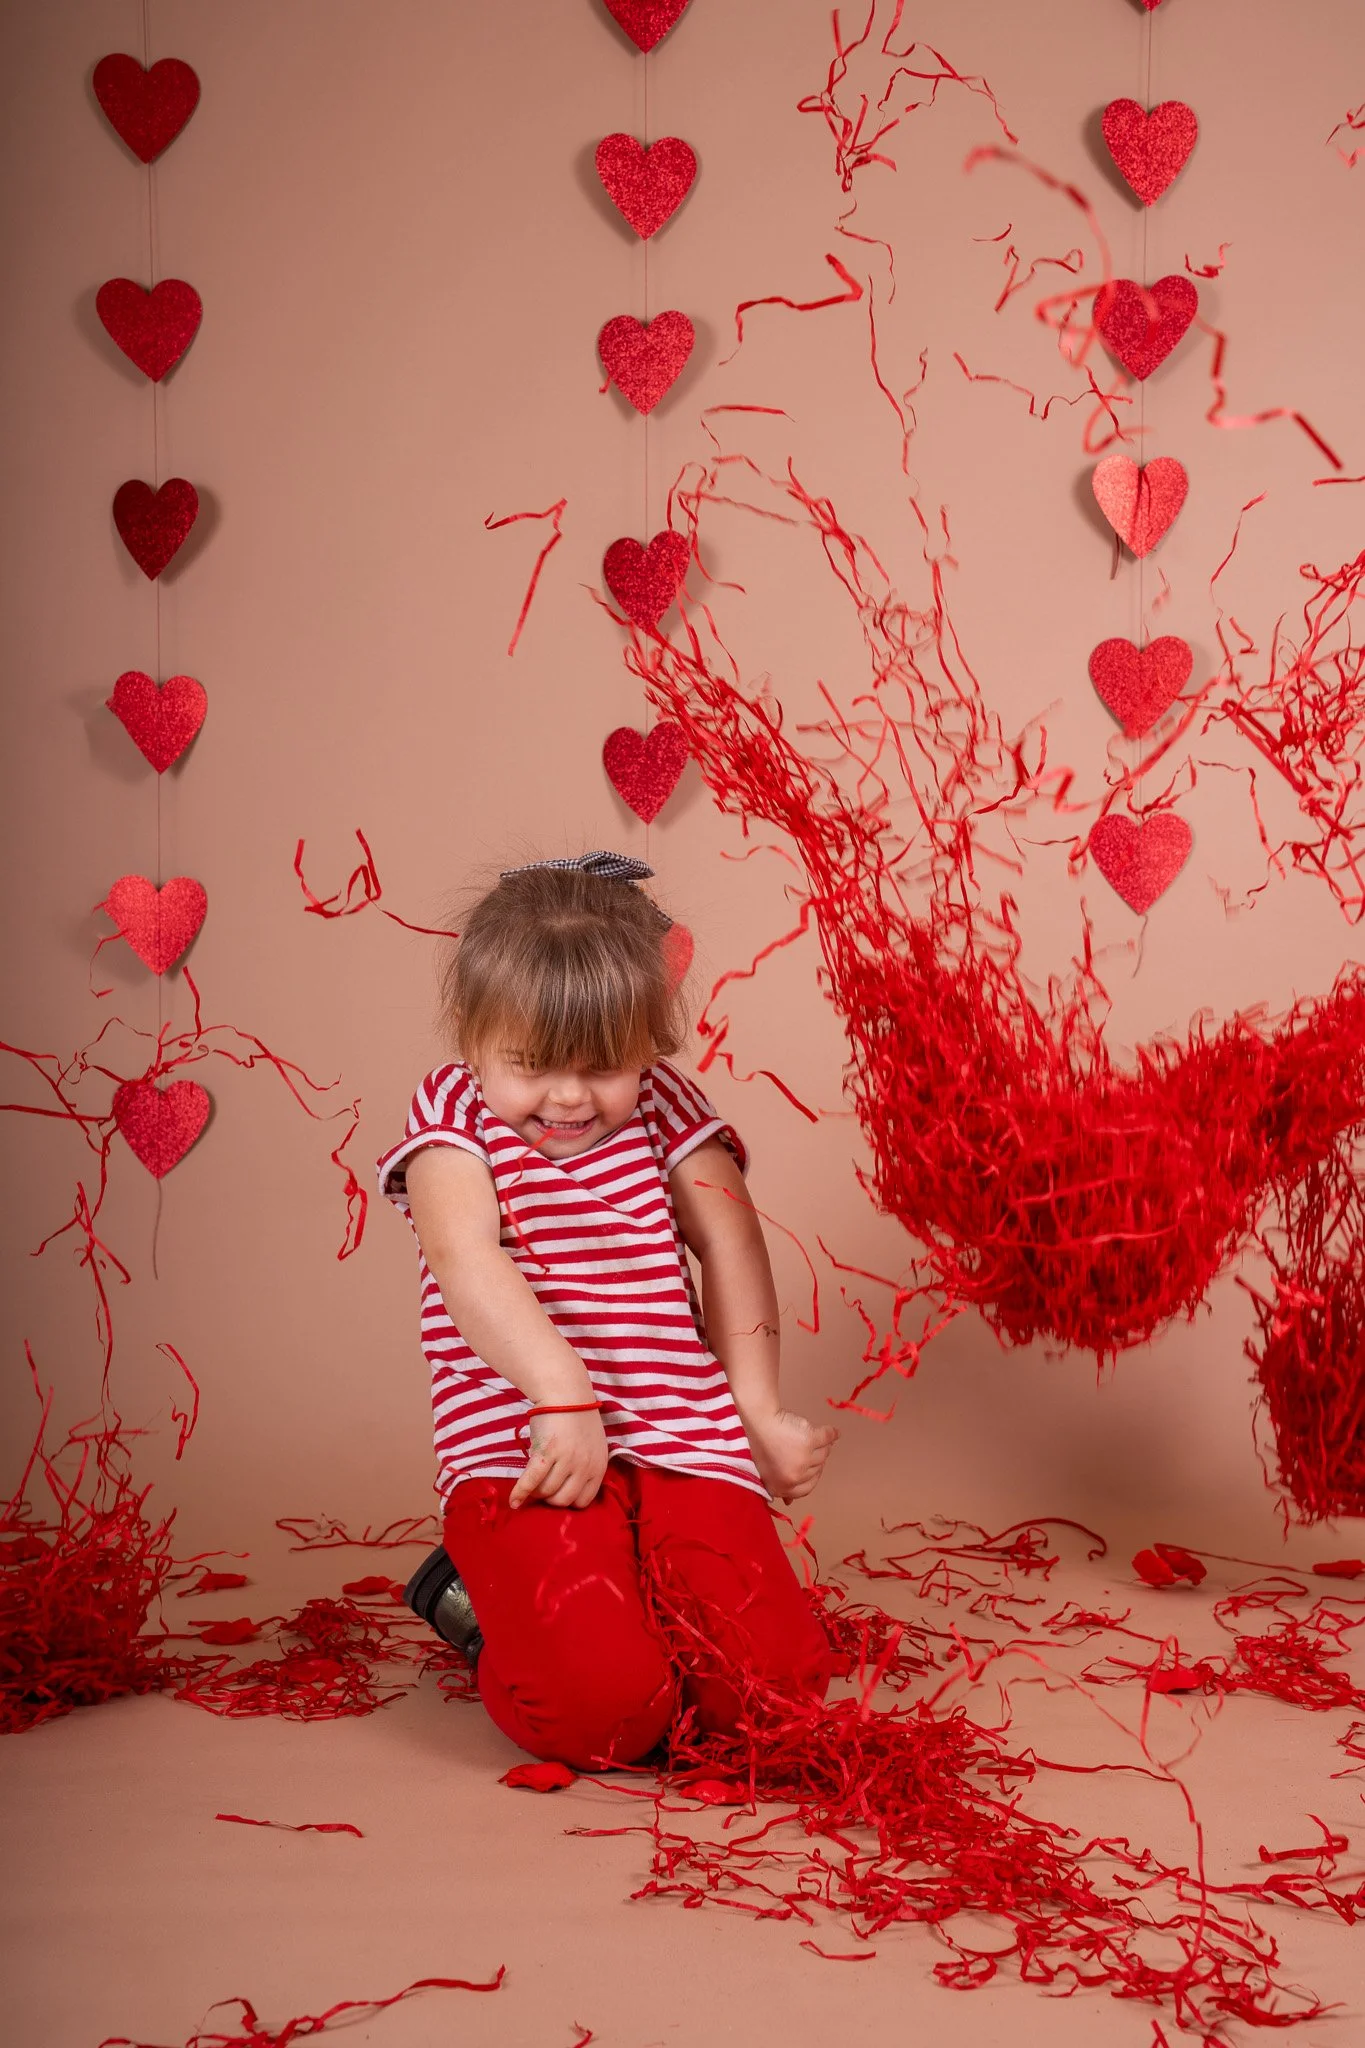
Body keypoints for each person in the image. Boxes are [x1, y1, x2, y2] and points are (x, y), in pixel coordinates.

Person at [377, 850, 837, 1769]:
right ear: (472, 1038)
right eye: (532, 1066)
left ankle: (643, 1607)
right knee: (607, 1718)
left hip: (677, 1427)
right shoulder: (451, 1117)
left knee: (772, 1704)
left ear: (648, 1044)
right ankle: (472, 1605)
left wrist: (754, 1410)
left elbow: (731, 1244)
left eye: (604, 1067)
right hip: (526, 1443)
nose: (569, 1097)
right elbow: (466, 1262)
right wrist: (561, 1396)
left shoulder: (664, 1105)